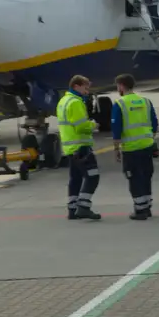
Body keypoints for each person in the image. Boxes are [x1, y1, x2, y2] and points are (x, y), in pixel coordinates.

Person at [111, 73, 159, 221]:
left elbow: (116, 128)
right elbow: (155, 123)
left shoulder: (120, 104)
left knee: (134, 178)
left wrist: (116, 149)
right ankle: (147, 207)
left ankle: (140, 210)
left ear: (121, 86)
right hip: (147, 145)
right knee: (146, 176)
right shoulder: (145, 101)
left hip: (131, 148)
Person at [57, 74, 102, 221]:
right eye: (85, 88)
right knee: (93, 176)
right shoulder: (75, 102)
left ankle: (72, 209)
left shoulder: (63, 101)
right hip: (81, 147)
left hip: (70, 148)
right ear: (76, 86)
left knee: (75, 178)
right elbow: (81, 126)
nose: (87, 91)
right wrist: (93, 125)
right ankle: (83, 206)